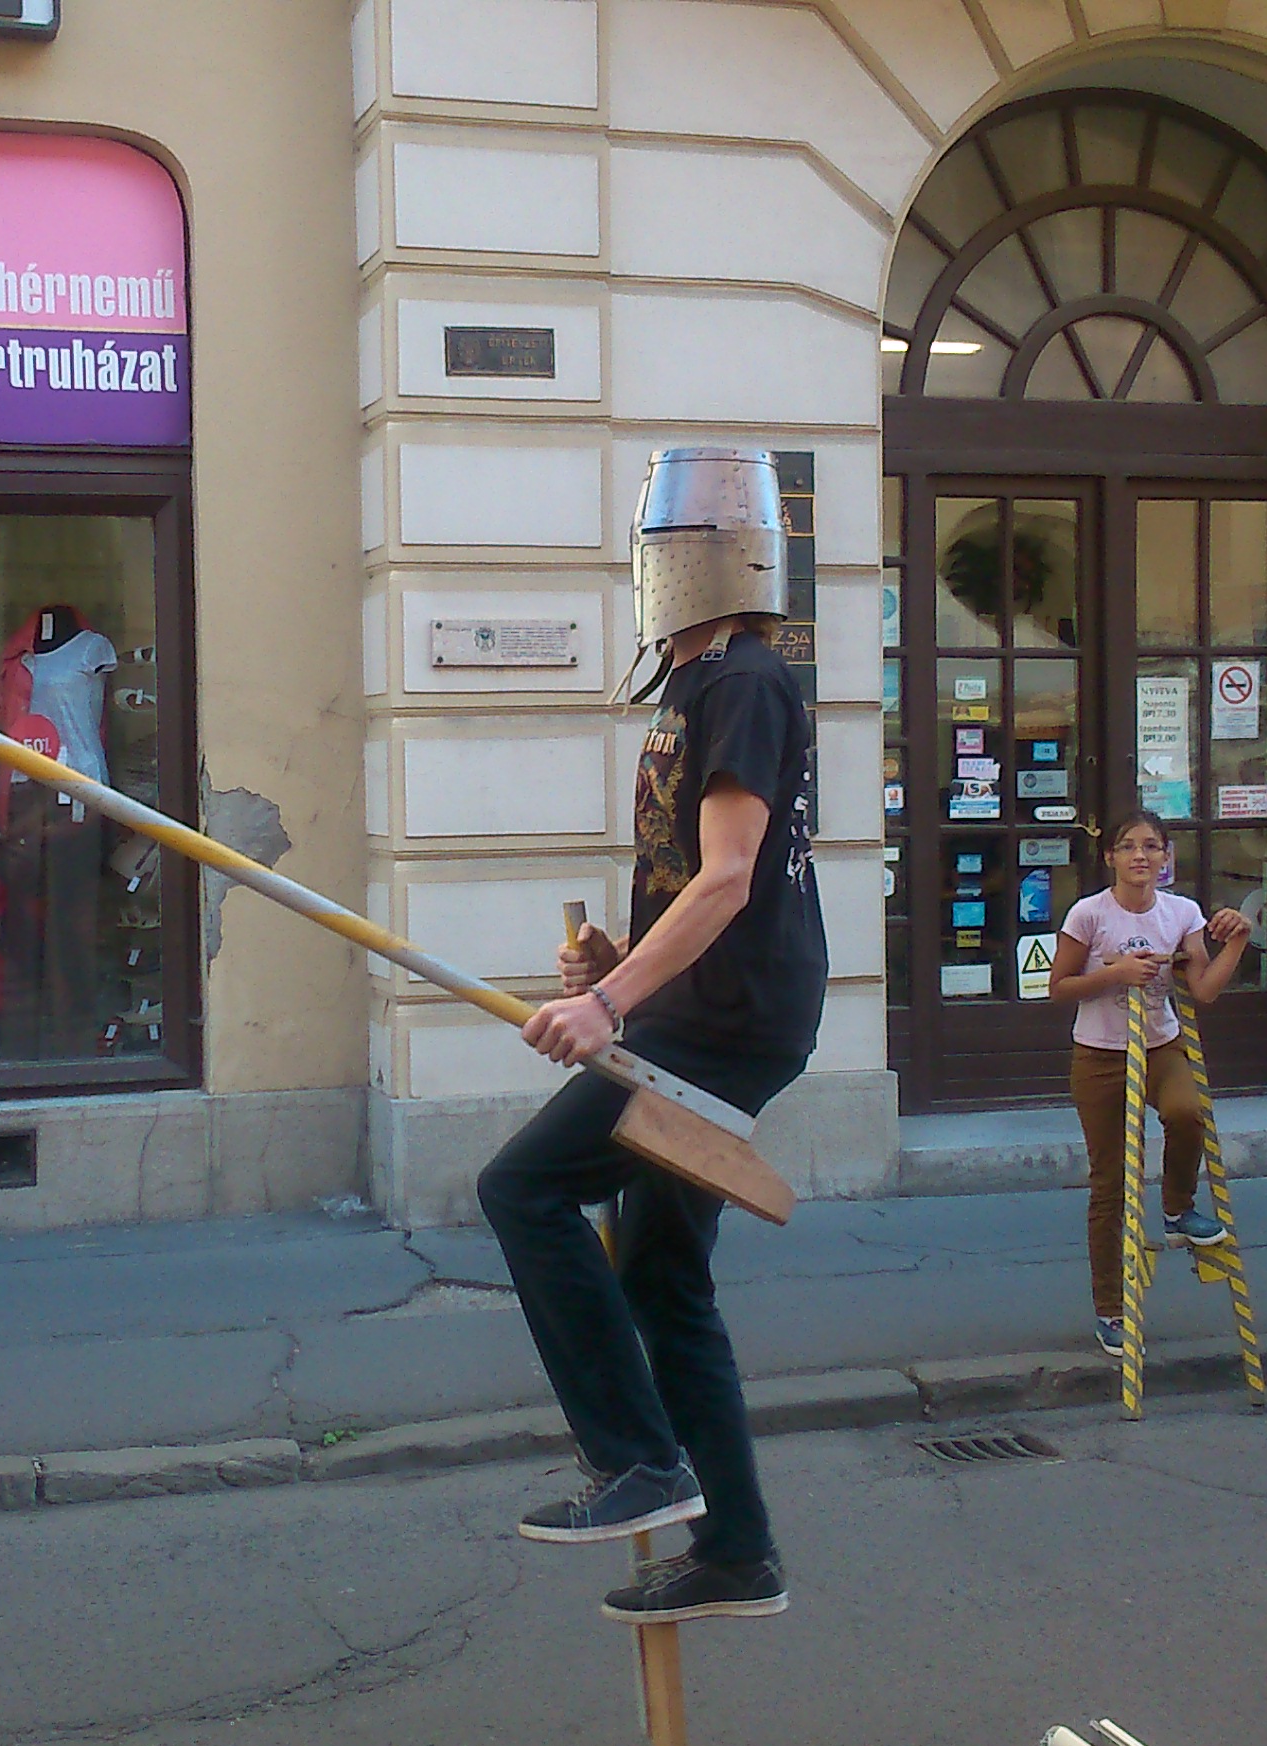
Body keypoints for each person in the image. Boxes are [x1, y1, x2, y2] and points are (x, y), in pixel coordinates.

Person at [478, 447, 822, 1627]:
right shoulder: (697, 683)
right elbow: (695, 883)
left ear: (704, 558)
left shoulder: (744, 682)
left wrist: (609, 1004)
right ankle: (736, 1553)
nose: (650, 567)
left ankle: (636, 1460)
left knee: (522, 1189)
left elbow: (729, 879)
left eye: (660, 547)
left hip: (721, 1027)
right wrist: (615, 962)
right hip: (703, 1010)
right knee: (663, 1279)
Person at [1048, 811, 1251, 1355]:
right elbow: (1059, 987)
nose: (1140, 856)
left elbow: (1203, 990)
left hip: (1161, 1044)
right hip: (1100, 1055)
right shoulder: (1089, 914)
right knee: (1111, 1185)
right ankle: (1110, 1309)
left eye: (1151, 847)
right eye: (1129, 846)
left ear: (1165, 857)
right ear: (1111, 857)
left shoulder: (1180, 912)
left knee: (1188, 1112)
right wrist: (1115, 974)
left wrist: (1236, 943)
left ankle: (1178, 1207)